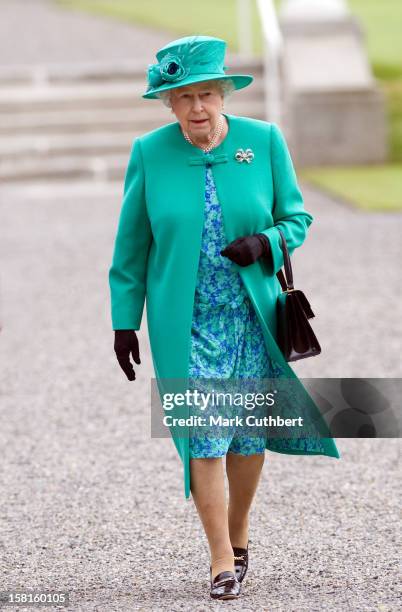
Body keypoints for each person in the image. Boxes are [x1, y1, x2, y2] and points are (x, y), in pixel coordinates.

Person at [109, 35, 339, 601]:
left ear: (223, 94)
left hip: (252, 318)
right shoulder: (149, 152)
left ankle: (238, 536)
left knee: (245, 436)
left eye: (205, 95)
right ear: (168, 103)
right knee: (203, 436)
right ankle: (219, 560)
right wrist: (123, 321)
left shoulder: (263, 141)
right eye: (182, 98)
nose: (196, 109)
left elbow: (298, 217)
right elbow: (131, 247)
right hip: (185, 324)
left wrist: (267, 241)